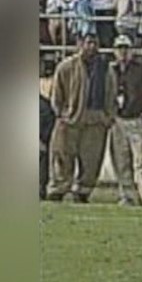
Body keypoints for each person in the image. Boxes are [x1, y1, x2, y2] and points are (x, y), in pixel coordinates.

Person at [46, 32, 115, 202]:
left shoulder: (105, 68)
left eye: (95, 43)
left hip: (95, 118)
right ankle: (59, 188)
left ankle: (83, 191)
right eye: (89, 43)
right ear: (80, 44)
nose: (92, 47)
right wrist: (62, 113)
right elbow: (56, 94)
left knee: (91, 159)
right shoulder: (66, 66)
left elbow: (111, 94)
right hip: (70, 118)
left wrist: (108, 116)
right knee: (62, 156)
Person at [108, 35, 142, 208]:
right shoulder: (110, 70)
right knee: (121, 161)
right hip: (118, 119)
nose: (123, 52)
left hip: (136, 119)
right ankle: (127, 195)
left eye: (125, 48)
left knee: (141, 161)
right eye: (120, 48)